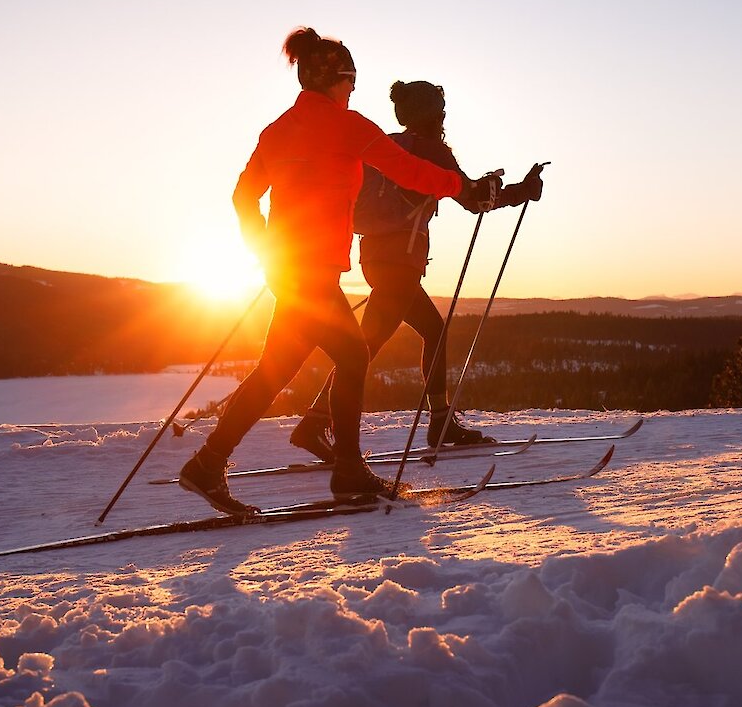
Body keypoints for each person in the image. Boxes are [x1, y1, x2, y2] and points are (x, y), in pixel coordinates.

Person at [178, 31, 502, 515]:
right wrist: (464, 186)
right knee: (352, 355)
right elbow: (409, 170)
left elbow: (243, 196)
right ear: (336, 80)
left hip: (287, 270)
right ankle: (347, 471)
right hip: (309, 273)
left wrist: (265, 248)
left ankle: (206, 465)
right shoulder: (345, 126)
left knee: (274, 372)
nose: (352, 92)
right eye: (350, 82)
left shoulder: (276, 130)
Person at [290, 79, 546, 464]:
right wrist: (521, 191)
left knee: (425, 331)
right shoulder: (434, 151)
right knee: (362, 349)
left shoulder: (390, 144)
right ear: (434, 113)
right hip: (400, 264)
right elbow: (474, 198)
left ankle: (438, 419)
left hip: (374, 259)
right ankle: (318, 422)